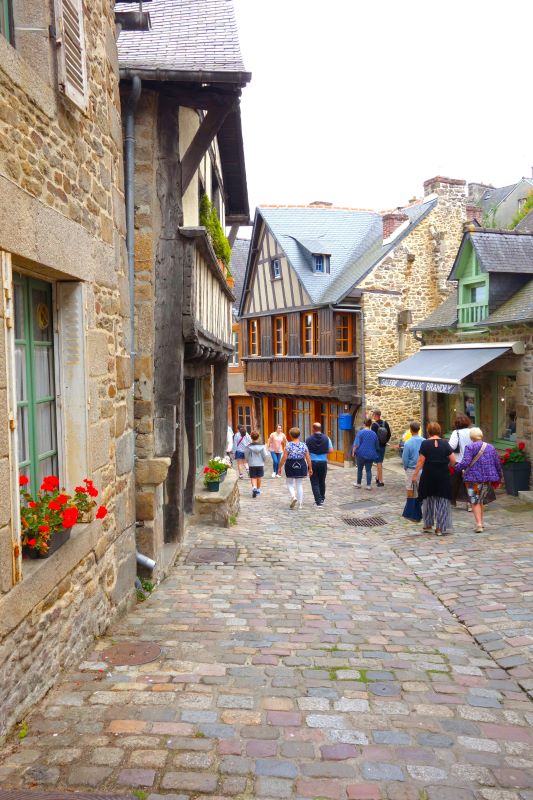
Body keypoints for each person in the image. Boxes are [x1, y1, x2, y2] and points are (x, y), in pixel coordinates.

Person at [454, 427, 503, 533]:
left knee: (474, 500)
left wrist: (456, 468)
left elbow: (465, 462)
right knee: (480, 500)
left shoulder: (470, 447)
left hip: (473, 479)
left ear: (471, 437)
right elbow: (497, 463)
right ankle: (481, 522)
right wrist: (499, 477)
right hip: (486, 479)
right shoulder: (490, 447)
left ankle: (479, 524)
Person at [412, 421, 456, 536]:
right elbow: (453, 461)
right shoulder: (445, 443)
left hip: (428, 476)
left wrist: (415, 475)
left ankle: (428, 524)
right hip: (443, 476)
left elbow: (421, 461)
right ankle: (440, 528)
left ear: (429, 431)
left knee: (428, 499)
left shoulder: (425, 444)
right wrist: (446, 466)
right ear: (439, 430)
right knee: (442, 500)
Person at [278, 426, 313, 509]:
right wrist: (310, 468)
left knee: (289, 483)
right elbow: (308, 457)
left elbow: (284, 457)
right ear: (299, 435)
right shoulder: (304, 445)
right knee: (299, 484)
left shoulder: (288, 445)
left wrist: (279, 467)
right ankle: (300, 504)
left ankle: (293, 496)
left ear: (290, 435)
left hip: (290, 464)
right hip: (301, 463)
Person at [306, 422, 333, 508]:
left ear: (313, 429)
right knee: (322, 481)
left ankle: (318, 501)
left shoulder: (308, 439)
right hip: (323, 462)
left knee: (314, 482)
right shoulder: (327, 438)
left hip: (313, 462)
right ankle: (321, 498)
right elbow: (331, 450)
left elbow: (306, 452)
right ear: (320, 429)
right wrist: (323, 452)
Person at [401, 421, 425, 522]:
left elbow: (405, 458)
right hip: (423, 468)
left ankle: (411, 511)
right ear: (419, 429)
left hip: (411, 468)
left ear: (410, 430)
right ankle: (418, 510)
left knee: (411, 490)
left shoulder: (408, 443)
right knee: (421, 490)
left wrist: (406, 467)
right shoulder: (424, 441)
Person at [448, 414, 472, 512]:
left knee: (454, 482)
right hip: (471, 461)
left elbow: (451, 446)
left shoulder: (456, 433)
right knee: (470, 483)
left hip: (459, 461)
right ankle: (470, 503)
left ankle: (452, 501)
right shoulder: (472, 431)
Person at [351, 417, 380, 490]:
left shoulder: (360, 432)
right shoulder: (374, 434)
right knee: (368, 470)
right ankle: (369, 485)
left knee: (360, 469)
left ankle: (358, 484)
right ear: (370, 425)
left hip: (361, 454)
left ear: (364, 424)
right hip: (370, 454)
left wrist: (353, 451)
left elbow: (356, 444)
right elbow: (377, 446)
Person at [244, 431, 268, 498]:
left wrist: (248, 460)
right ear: (258, 437)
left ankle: (254, 487)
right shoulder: (262, 446)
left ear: (251, 437)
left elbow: (246, 455)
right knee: (259, 477)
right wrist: (263, 460)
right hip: (260, 463)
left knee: (253, 477)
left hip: (252, 463)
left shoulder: (248, 447)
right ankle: (258, 489)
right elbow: (265, 455)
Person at [371, 408, 392, 487]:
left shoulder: (374, 425)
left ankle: (381, 481)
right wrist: (385, 442)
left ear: (376, 415)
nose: (372, 416)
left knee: (379, 463)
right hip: (383, 446)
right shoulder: (385, 423)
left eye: (373, 414)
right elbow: (389, 434)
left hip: (377, 446)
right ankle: (377, 477)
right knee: (379, 462)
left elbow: (373, 437)